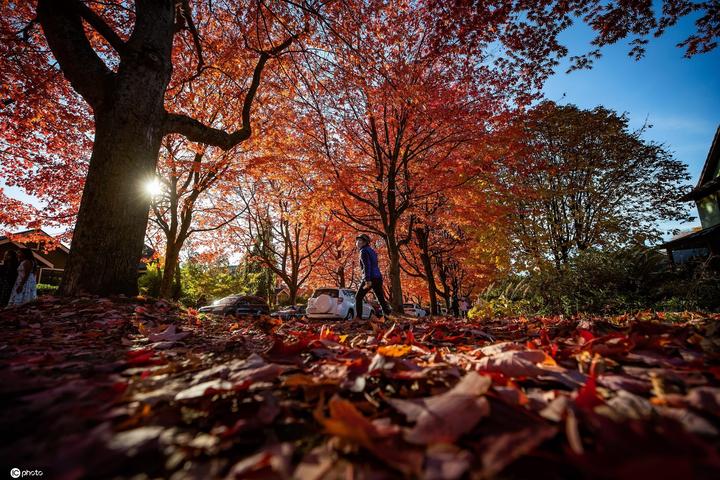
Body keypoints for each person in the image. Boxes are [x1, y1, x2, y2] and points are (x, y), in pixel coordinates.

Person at [354, 234, 391, 320]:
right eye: (358, 240)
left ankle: (358, 318)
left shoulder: (363, 251)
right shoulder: (372, 251)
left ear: (365, 242)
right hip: (378, 277)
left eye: (361, 241)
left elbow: (367, 266)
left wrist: (367, 280)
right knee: (380, 298)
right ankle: (388, 317)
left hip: (370, 277)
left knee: (358, 297)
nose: (358, 242)